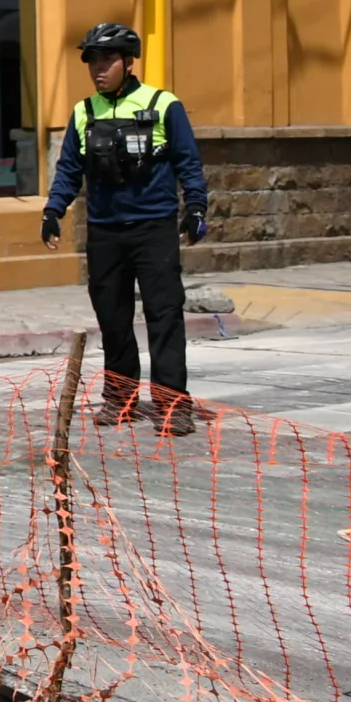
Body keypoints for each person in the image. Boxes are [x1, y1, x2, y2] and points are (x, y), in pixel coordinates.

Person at [40, 22, 210, 434]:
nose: (98, 69)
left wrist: (196, 208)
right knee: (113, 319)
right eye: (92, 62)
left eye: (107, 60)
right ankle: (121, 400)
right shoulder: (84, 112)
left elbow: (188, 161)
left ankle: (173, 405)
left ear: (128, 62)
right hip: (105, 232)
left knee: (164, 317)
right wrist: (53, 210)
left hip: (154, 229)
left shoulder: (163, 105)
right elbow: (69, 169)